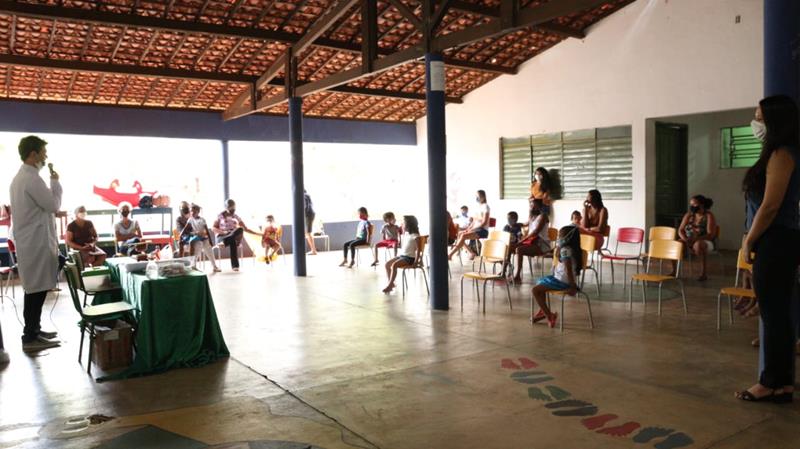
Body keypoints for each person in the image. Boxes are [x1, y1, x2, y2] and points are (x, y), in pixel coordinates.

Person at [736, 95, 800, 403]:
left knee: (773, 314)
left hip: (776, 240)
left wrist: (750, 240)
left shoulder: (781, 154)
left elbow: (771, 205)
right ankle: (782, 383)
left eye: (759, 118)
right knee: (778, 313)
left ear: (775, 121)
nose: (755, 123)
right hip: (777, 239)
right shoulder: (781, 152)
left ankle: (770, 382)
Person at [9, 135, 61, 352]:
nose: (45, 157)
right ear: (33, 154)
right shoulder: (31, 179)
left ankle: (34, 330)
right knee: (35, 291)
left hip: (31, 242)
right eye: (43, 152)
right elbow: (53, 205)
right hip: (35, 243)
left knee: (35, 289)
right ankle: (30, 337)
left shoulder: (22, 177)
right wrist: (55, 183)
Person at [531, 225, 582, 329]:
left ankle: (549, 315)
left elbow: (568, 269)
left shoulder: (565, 250)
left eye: (560, 236)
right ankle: (543, 311)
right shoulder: (569, 248)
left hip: (562, 282)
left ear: (568, 238)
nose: (558, 238)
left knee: (535, 290)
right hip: (560, 279)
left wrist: (572, 286)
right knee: (540, 282)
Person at [675, 195, 717, 281]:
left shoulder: (709, 215)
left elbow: (710, 234)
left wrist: (695, 239)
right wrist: (686, 239)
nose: (692, 207)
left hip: (705, 241)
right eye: (691, 204)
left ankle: (703, 273)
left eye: (694, 204)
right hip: (689, 239)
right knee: (676, 244)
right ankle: (674, 271)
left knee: (698, 245)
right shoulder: (688, 215)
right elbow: (680, 230)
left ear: (701, 205)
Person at [513, 200, 551, 283]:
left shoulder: (543, 216)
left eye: (534, 206)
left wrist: (521, 241)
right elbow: (525, 224)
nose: (532, 208)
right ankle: (504, 272)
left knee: (519, 249)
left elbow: (535, 232)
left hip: (542, 245)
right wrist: (514, 223)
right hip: (532, 242)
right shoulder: (532, 217)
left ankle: (517, 276)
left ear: (540, 207)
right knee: (510, 247)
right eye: (531, 206)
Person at [212, 199, 256, 272]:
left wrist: (259, 234)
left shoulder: (236, 216)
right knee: (233, 240)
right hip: (222, 236)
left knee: (240, 230)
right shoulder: (220, 216)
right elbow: (213, 228)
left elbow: (245, 229)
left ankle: (225, 242)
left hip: (232, 235)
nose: (233, 210)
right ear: (226, 207)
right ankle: (235, 266)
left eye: (234, 208)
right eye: (231, 208)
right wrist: (223, 232)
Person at [382, 215, 422, 293]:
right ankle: (392, 283)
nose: (402, 224)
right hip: (402, 256)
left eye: (403, 222)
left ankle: (390, 285)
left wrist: (416, 262)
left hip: (410, 258)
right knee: (387, 264)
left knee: (394, 265)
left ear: (409, 224)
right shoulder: (406, 234)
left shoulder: (415, 236)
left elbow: (418, 250)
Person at [448, 190, 491, 260]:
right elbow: (474, 222)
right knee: (459, 234)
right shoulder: (478, 207)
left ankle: (450, 255)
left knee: (463, 236)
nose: (476, 198)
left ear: (483, 197)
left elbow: (484, 222)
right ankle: (470, 252)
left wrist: (472, 229)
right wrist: (468, 229)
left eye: (478, 196)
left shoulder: (486, 207)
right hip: (475, 229)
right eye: (476, 196)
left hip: (482, 230)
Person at [188, 204, 220, 272]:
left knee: (209, 249)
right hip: (196, 238)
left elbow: (207, 231)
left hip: (204, 238)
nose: (192, 213)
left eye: (194, 211)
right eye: (191, 211)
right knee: (198, 246)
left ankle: (214, 266)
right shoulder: (190, 220)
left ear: (198, 212)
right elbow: (188, 231)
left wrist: (210, 240)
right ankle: (193, 266)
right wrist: (195, 233)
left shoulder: (202, 219)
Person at [303, 190, 318, 255]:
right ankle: (313, 250)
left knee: (308, 233)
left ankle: (313, 251)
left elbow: (305, 206)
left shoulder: (303, 196)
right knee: (307, 233)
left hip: (308, 214)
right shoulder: (307, 195)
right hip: (311, 213)